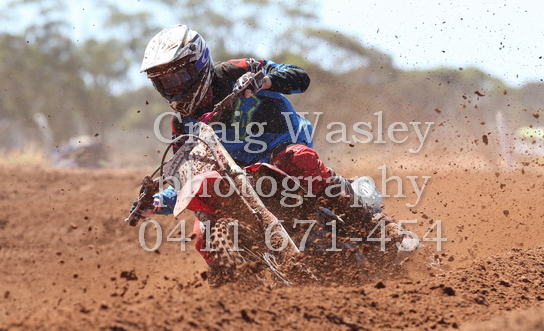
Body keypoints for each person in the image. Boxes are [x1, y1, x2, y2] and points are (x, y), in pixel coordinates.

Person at [138, 24, 386, 262]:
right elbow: (187, 177)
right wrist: (158, 201)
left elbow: (300, 78)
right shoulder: (182, 123)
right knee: (203, 234)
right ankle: (235, 285)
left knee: (297, 159)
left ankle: (367, 223)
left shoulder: (238, 70)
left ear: (199, 65)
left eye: (180, 76)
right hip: (234, 177)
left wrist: (264, 81)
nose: (175, 87)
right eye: (165, 82)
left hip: (279, 148)